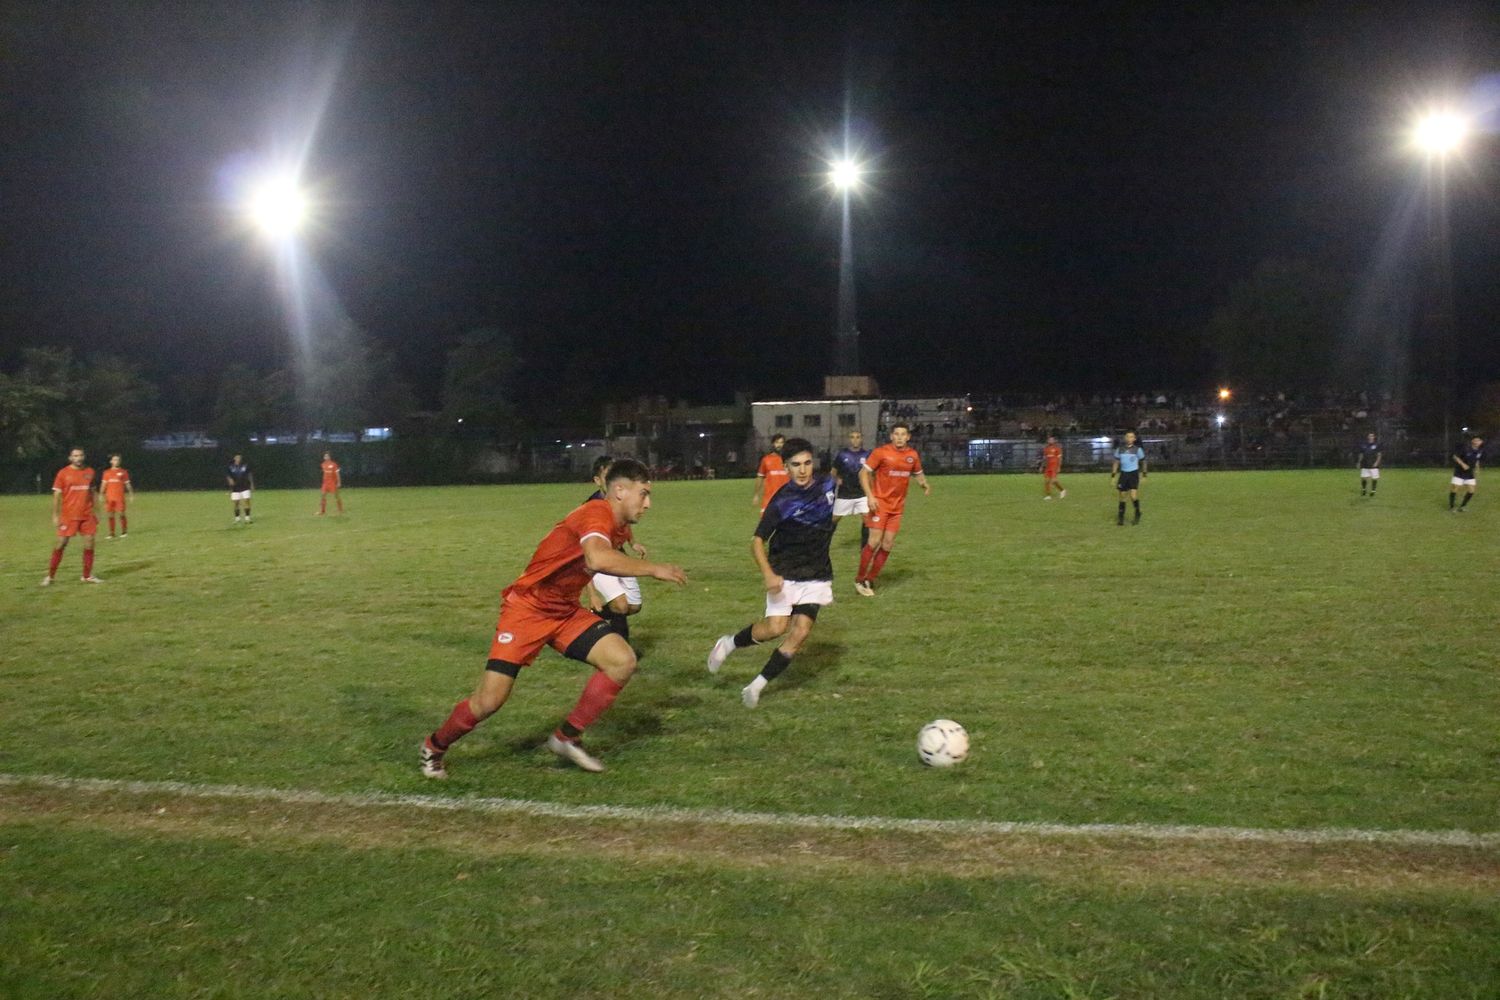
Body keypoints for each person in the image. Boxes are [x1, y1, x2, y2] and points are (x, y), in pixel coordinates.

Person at [420, 459, 687, 779]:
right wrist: (654, 568)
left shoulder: (620, 525)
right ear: (619, 490)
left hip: (563, 611)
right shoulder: (594, 512)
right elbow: (597, 557)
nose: (648, 503)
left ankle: (566, 738)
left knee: (622, 660)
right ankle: (433, 747)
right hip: (526, 610)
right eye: (643, 494)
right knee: (489, 701)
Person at [706, 438, 835, 707]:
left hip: (816, 574)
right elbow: (756, 542)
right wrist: (768, 574)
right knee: (775, 628)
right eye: (796, 465)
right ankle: (729, 643)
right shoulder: (781, 502)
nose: (803, 470)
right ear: (785, 467)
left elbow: (841, 506)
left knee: (799, 633)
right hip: (784, 573)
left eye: (807, 463)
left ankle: (756, 686)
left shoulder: (828, 485)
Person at [854, 423, 931, 596]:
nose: (900, 437)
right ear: (891, 436)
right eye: (896, 434)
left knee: (888, 544)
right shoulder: (881, 452)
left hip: (897, 507)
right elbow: (863, 474)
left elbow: (917, 472)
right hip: (879, 503)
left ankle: (870, 579)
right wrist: (870, 496)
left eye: (903, 434)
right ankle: (859, 578)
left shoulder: (912, 455)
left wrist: (923, 482)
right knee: (873, 542)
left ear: (908, 437)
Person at [583, 456, 648, 646]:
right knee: (620, 605)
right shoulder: (591, 508)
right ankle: (622, 651)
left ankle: (588, 617)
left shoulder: (618, 501)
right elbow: (585, 553)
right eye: (607, 476)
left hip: (618, 556)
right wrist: (592, 593)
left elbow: (624, 523)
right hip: (601, 561)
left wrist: (632, 543)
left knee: (634, 606)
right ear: (597, 480)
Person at [42, 447, 102, 585]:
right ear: (70, 458)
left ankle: (87, 576)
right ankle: (50, 576)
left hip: (87, 515)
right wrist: (55, 515)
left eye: (80, 455)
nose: (78, 458)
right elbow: (57, 495)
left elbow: (93, 493)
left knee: (89, 543)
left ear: (83, 457)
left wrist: (97, 512)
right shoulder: (63, 473)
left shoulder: (90, 472)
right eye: (75, 456)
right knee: (61, 544)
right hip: (68, 516)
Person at [830, 428, 871, 546]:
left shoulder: (867, 454)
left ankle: (865, 547)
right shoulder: (842, 454)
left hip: (862, 493)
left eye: (858, 437)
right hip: (845, 493)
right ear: (849, 439)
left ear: (861, 439)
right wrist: (837, 479)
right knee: (834, 519)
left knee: (867, 519)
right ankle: (824, 541)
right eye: (852, 437)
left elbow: (870, 474)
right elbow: (833, 472)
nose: (855, 440)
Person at [1111, 431, 1147, 525]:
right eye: (1128, 437)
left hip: (1133, 474)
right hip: (1123, 474)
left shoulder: (1137, 450)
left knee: (1133, 496)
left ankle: (1137, 513)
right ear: (1125, 438)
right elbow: (1116, 462)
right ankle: (1121, 517)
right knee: (1122, 496)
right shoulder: (1120, 449)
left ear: (1134, 439)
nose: (1129, 438)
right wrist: (1113, 476)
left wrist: (1144, 475)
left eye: (1131, 437)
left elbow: (1143, 462)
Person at [752, 433, 788, 512]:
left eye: (781, 442)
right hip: (769, 499)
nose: (779, 445)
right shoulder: (766, 459)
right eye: (777, 442)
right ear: (773, 444)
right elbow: (760, 477)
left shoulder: (789, 460)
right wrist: (756, 495)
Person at [100, 453, 134, 537]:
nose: (116, 461)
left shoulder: (123, 472)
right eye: (114, 460)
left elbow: (127, 484)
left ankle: (124, 531)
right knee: (110, 515)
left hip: (119, 497)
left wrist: (131, 494)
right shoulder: (106, 472)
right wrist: (101, 494)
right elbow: (103, 484)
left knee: (121, 514)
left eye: (118, 460)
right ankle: (111, 533)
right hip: (109, 497)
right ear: (111, 461)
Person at [1449, 434, 1484, 512]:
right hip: (1459, 472)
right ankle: (1452, 507)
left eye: (1479, 440)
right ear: (1473, 441)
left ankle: (1462, 506)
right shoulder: (1465, 449)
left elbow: (1477, 460)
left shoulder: (1479, 451)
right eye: (1476, 440)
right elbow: (1455, 456)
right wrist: (1463, 464)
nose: (1478, 441)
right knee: (1455, 488)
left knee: (1471, 490)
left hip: (1469, 473)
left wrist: (1477, 468)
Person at [226, 454, 254, 524]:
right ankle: (237, 518)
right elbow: (228, 475)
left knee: (247, 501)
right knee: (236, 503)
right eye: (237, 458)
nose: (238, 459)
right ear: (234, 459)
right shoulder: (231, 467)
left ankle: (247, 518)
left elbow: (249, 474)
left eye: (240, 458)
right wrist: (230, 480)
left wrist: (252, 484)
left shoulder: (245, 466)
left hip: (245, 486)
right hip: (235, 487)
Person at [1040, 434, 1066, 499]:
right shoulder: (1046, 448)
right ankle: (1048, 495)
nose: (1050, 441)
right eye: (1049, 440)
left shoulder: (1057, 448)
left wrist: (1059, 466)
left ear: (1054, 441)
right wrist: (1041, 466)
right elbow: (1044, 458)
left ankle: (1062, 490)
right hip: (1048, 466)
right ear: (1047, 441)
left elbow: (1060, 458)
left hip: (1054, 466)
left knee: (1054, 481)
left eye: (1052, 440)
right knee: (1046, 481)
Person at [1357, 432, 1382, 497]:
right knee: (1364, 478)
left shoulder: (1377, 445)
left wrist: (1377, 462)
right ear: (1368, 437)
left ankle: (1373, 491)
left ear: (1374, 437)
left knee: (1374, 478)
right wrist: (1359, 462)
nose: (1371, 437)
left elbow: (1379, 455)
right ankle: (1364, 490)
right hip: (1365, 464)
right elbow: (1361, 454)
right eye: (1369, 436)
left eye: (1372, 436)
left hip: (1373, 465)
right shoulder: (1364, 445)